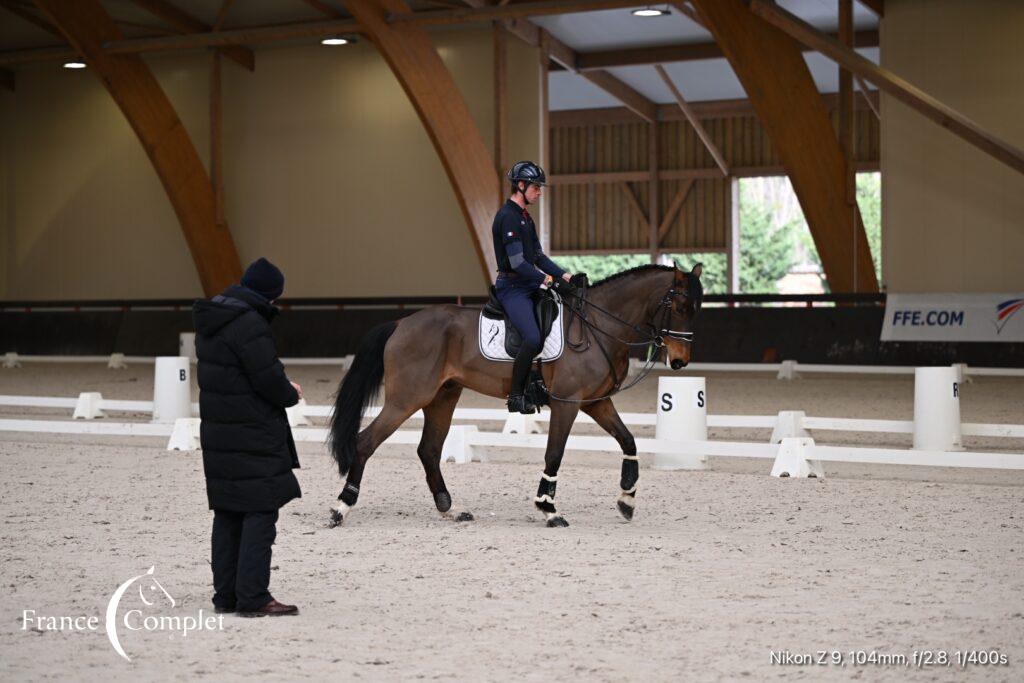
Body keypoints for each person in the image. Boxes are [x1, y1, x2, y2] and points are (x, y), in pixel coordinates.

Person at [192, 257, 302, 618]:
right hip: (253, 432)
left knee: (227, 513)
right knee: (259, 512)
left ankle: (226, 595)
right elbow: (268, 379)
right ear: (270, 295)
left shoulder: (212, 321)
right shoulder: (250, 324)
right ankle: (253, 596)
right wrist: (291, 392)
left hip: (220, 431)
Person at [492, 161, 587, 414]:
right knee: (533, 337)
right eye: (536, 187)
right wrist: (547, 281)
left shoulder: (525, 218)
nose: (539, 192)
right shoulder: (508, 217)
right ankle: (515, 396)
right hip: (512, 287)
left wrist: (566, 277)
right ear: (520, 186)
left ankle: (540, 382)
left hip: (528, 283)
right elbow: (517, 263)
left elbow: (539, 258)